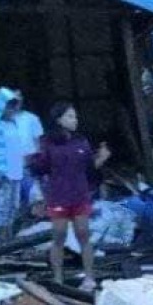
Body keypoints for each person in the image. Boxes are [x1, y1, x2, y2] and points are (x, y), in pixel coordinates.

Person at [28, 102, 110, 291]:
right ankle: (58, 279)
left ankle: (89, 277)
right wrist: (31, 158)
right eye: (70, 117)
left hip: (80, 196)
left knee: (83, 235)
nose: (75, 120)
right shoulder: (47, 142)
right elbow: (39, 168)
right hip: (58, 197)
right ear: (59, 120)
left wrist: (102, 158)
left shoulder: (81, 141)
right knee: (59, 237)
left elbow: (90, 168)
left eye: (75, 117)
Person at [0, 87, 44, 240]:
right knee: (1, 204)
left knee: (13, 205)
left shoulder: (12, 122)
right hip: (0, 170)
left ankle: (9, 237)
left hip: (16, 168)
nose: (14, 106)